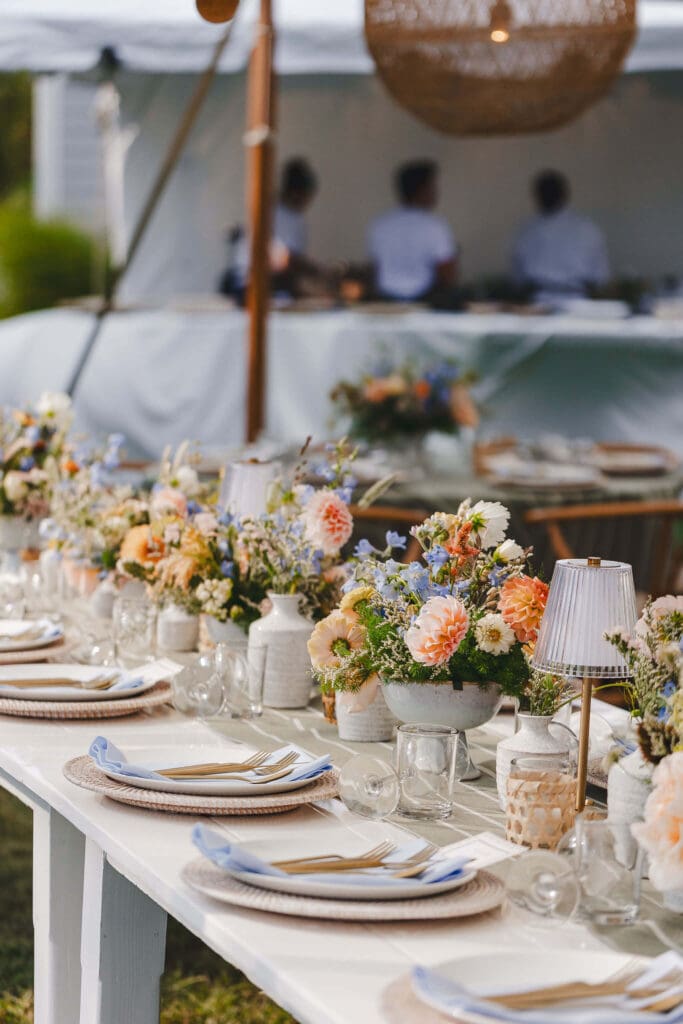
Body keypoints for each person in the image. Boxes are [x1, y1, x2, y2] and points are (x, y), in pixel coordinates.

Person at [511, 170, 610, 303]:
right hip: (543, 300)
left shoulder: (585, 229)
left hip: (573, 299)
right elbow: (518, 276)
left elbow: (599, 276)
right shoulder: (527, 231)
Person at [367, 160, 458, 302]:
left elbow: (375, 270)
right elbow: (447, 272)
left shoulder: (381, 224)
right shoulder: (433, 225)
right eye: (433, 187)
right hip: (426, 301)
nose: (436, 192)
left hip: (387, 300)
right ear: (423, 190)